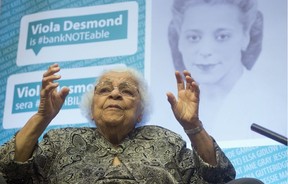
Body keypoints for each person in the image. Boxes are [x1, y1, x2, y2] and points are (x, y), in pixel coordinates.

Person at [0, 63, 239, 183]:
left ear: (139, 112)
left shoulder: (166, 141)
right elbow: (10, 169)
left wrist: (192, 126)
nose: (114, 94)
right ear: (92, 110)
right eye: (105, 90)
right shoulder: (60, 141)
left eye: (126, 91)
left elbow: (219, 178)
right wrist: (42, 117)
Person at [167, 0, 266, 139]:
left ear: (245, 37)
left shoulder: (273, 105)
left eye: (222, 36)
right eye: (194, 37)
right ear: (179, 39)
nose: (206, 50)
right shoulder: (164, 111)